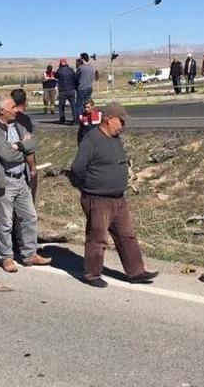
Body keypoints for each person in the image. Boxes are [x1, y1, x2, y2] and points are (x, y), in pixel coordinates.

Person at [70, 101, 158, 288]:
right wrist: (88, 185)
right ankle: (92, 274)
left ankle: (136, 272)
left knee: (127, 235)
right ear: (109, 119)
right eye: (121, 121)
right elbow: (77, 168)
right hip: (98, 198)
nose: (123, 125)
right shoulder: (92, 139)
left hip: (118, 198)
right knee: (97, 238)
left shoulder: (115, 138)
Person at [0, 95, 51, 273]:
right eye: (12, 107)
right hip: (4, 181)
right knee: (5, 223)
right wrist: (24, 147)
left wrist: (18, 146)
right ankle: (7, 257)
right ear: (2, 110)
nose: (16, 110)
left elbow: (34, 141)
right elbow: (7, 155)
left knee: (29, 217)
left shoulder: (17, 126)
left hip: (21, 179)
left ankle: (29, 254)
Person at [11, 88, 38, 202]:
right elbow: (28, 146)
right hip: (22, 164)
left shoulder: (6, 117)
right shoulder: (24, 120)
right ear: (25, 101)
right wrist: (33, 167)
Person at [55, 58, 77, 124]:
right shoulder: (71, 70)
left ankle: (62, 119)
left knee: (61, 106)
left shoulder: (59, 70)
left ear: (60, 64)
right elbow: (75, 78)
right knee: (73, 105)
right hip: (71, 89)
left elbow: (56, 76)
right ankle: (75, 118)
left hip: (63, 90)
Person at [75, 53, 96, 119]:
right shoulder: (92, 68)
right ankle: (87, 117)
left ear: (82, 59)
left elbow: (76, 77)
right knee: (87, 104)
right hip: (89, 87)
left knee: (79, 104)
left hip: (82, 88)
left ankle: (79, 118)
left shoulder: (81, 68)